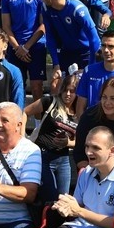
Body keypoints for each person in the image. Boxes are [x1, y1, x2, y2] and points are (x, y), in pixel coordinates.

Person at [26, 72, 78, 201]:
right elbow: (24, 112)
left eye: (72, 91)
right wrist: (22, 138)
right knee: (50, 197)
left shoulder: (79, 111)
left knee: (63, 200)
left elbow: (82, 141)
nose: (68, 94)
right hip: (43, 155)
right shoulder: (50, 101)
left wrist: (68, 143)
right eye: (65, 90)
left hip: (63, 158)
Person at [1, 0, 46, 101]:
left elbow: (43, 25)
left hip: (36, 46)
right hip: (15, 48)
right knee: (16, 87)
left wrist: (26, 47)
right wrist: (17, 48)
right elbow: (6, 26)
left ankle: (38, 116)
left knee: (37, 86)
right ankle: (17, 114)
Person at [37, 0, 101, 73]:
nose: (41, 0)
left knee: (83, 80)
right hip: (66, 52)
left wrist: (91, 65)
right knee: (60, 81)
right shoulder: (46, 8)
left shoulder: (77, 9)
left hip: (85, 53)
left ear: (49, 0)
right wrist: (56, 64)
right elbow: (50, 36)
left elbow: (94, 39)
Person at [74, 76, 114, 170]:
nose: (107, 103)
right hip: (92, 171)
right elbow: (79, 154)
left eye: (113, 98)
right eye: (104, 97)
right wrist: (94, 174)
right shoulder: (89, 117)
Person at [75, 30, 114, 116]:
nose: (106, 50)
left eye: (111, 46)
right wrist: (82, 123)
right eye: (103, 45)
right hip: (92, 122)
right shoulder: (89, 71)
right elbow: (80, 105)